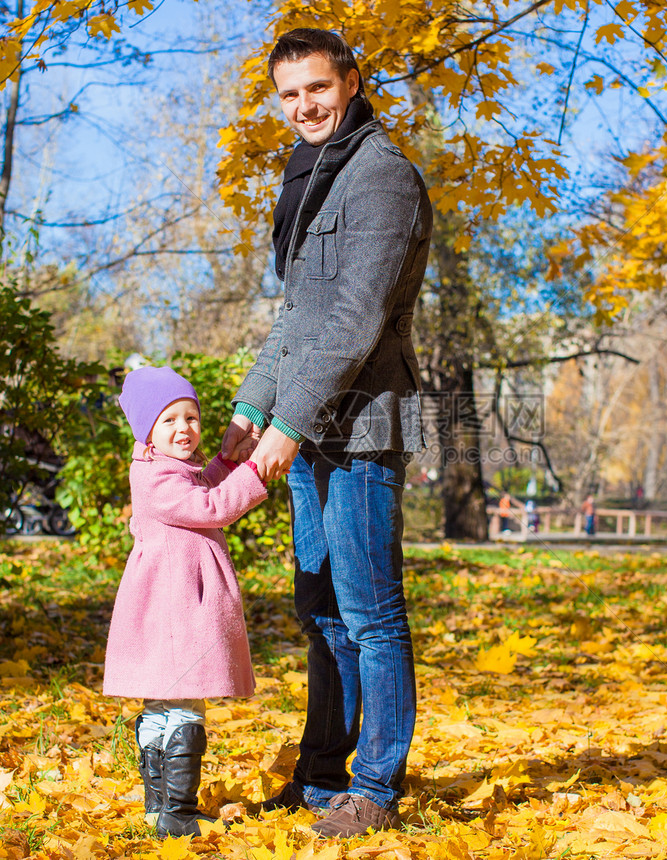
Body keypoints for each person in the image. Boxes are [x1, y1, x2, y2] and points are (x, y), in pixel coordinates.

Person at [220, 29, 432, 838]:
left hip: (363, 427)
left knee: (371, 612)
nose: (304, 105)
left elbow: (353, 322)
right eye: (289, 94)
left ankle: (374, 788)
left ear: (350, 81)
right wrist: (250, 409)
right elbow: (298, 320)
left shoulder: (382, 178)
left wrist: (288, 422)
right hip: (307, 426)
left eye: (318, 87)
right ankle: (321, 779)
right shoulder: (309, 175)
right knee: (324, 612)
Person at [103, 366, 268, 837]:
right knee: (184, 705)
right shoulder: (155, 479)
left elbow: (202, 481)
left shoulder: (165, 467)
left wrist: (228, 463)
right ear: (147, 432)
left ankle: (161, 808)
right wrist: (254, 472)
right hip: (176, 608)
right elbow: (209, 506)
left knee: (161, 705)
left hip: (167, 604)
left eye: (191, 417)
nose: (184, 429)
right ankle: (178, 812)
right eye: (170, 420)